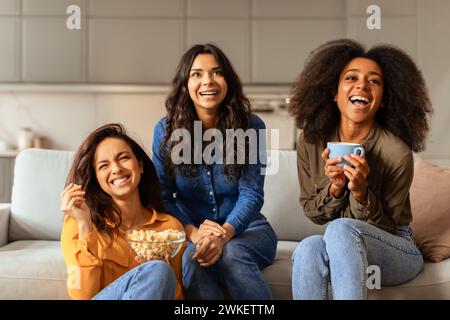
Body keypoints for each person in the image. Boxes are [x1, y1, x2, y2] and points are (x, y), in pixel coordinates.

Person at [288, 39, 433, 299]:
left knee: (341, 228)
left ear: (384, 100)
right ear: (333, 92)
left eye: (374, 81)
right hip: (341, 241)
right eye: (351, 78)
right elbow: (313, 212)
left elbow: (388, 226)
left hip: (396, 247)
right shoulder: (311, 141)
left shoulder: (396, 152)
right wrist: (335, 189)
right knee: (309, 247)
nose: (362, 86)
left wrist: (361, 192)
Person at [152, 43, 277, 299]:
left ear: (227, 80)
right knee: (191, 258)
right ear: (185, 83)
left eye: (217, 72)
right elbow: (162, 196)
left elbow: (252, 193)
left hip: (249, 230)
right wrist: (195, 234)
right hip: (193, 231)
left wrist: (224, 234)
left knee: (231, 254)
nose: (208, 81)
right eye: (197, 74)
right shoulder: (165, 132)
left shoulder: (252, 126)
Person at [60, 123, 185, 300]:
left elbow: (179, 299)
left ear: (140, 166)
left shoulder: (170, 229)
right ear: (96, 178)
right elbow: (82, 296)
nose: (116, 169)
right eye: (104, 166)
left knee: (159, 270)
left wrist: (162, 278)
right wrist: (85, 225)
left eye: (123, 158)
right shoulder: (77, 223)